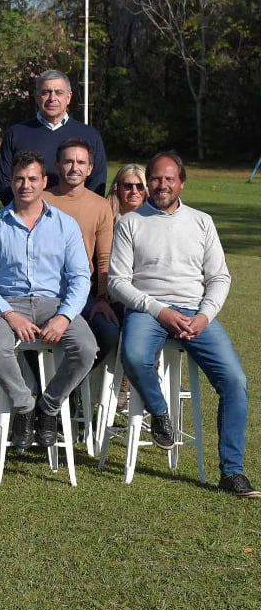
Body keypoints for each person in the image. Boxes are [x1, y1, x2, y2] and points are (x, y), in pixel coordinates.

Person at [109, 153, 257, 498]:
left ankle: (232, 472)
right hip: (148, 310)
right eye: (156, 179)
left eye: (169, 179)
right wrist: (159, 310)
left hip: (195, 311)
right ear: (149, 182)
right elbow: (118, 282)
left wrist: (205, 314)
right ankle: (160, 413)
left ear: (181, 183)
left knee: (236, 381)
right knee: (133, 353)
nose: (162, 185)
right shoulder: (131, 223)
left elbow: (219, 276)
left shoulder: (202, 221)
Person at [0, 150, 96, 450]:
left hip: (53, 303)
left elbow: (81, 277)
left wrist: (64, 316)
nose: (25, 185)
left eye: (32, 179)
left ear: (44, 182)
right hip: (8, 303)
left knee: (86, 348)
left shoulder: (65, 224)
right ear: (12, 183)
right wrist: (8, 314)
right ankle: (25, 407)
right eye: (19, 179)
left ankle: (49, 406)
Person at [45, 138, 119, 358]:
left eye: (80, 162)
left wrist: (102, 297)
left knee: (108, 333)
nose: (74, 167)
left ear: (90, 169)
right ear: (57, 165)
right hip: (44, 293)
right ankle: (43, 387)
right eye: (68, 161)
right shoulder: (41, 200)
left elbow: (104, 257)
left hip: (83, 294)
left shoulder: (100, 206)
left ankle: (76, 386)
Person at [0, 70, 107, 204]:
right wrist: (26, 213)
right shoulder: (16, 134)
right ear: (36, 96)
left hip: (77, 218)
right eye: (45, 92)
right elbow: (4, 181)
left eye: (59, 92)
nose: (52, 98)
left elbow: (97, 181)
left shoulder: (90, 135)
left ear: (69, 97)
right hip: (27, 218)